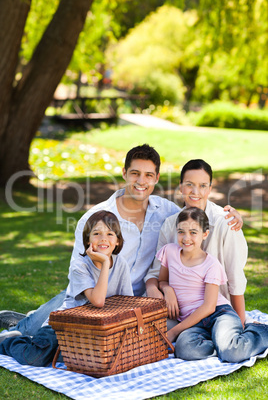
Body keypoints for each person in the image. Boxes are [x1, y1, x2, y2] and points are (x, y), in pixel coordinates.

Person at [0, 147, 242, 339]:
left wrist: (231, 214)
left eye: (148, 175)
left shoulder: (166, 211)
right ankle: (21, 325)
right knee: (43, 335)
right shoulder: (96, 219)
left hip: (140, 301)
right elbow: (79, 275)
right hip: (97, 297)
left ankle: (26, 319)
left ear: (156, 178)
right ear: (124, 173)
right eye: (135, 173)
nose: (141, 181)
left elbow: (196, 211)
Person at [0, 211, 133, 365]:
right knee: (34, 358)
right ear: (87, 239)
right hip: (61, 327)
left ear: (117, 241)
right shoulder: (80, 265)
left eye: (110, 234)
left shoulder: (120, 263)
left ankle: (34, 338)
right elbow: (97, 300)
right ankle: (10, 341)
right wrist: (104, 263)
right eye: (96, 233)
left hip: (91, 331)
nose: (103, 238)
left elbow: (127, 302)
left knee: (87, 360)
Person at [156, 207, 268, 362]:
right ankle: (221, 343)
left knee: (232, 353)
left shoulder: (211, 265)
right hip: (193, 322)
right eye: (181, 231)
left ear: (205, 234)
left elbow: (209, 307)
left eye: (193, 232)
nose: (186, 237)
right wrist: (167, 288)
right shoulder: (169, 252)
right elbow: (162, 280)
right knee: (184, 350)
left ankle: (260, 331)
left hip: (218, 314)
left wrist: (174, 332)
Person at [145, 159, 248, 325]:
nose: (195, 191)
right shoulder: (171, 224)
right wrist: (162, 288)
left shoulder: (226, 222)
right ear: (180, 186)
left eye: (202, 185)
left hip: (215, 309)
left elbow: (235, 278)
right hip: (180, 310)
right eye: (189, 184)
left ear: (210, 188)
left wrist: (241, 323)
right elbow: (156, 273)